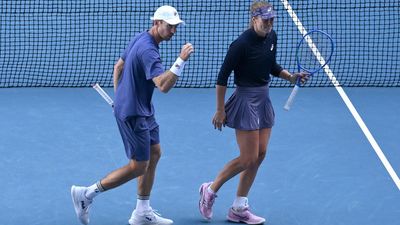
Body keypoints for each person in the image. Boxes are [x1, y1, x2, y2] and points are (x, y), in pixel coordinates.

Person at [71, 5, 194, 225]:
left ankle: (141, 212)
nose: (174, 31)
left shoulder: (141, 37)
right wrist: (180, 60)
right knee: (138, 166)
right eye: (170, 26)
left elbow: (118, 66)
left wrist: (119, 97)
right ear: (157, 23)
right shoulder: (149, 51)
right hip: (134, 114)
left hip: (141, 109)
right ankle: (86, 194)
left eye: (176, 27)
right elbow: (163, 86)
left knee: (155, 152)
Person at [198, 1, 308, 224]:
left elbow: (271, 65)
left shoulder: (272, 37)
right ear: (253, 19)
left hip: (263, 98)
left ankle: (238, 208)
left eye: (272, 19)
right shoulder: (240, 44)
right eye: (265, 19)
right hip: (245, 100)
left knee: (260, 154)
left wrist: (290, 76)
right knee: (248, 157)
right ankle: (210, 189)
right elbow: (222, 78)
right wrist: (220, 110)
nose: (269, 23)